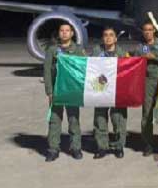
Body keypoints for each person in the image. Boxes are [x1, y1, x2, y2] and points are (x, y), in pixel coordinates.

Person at [43, 22, 86, 162]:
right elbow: (47, 71)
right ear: (59, 33)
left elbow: (84, 69)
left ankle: (75, 148)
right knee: (54, 120)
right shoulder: (52, 50)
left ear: (72, 33)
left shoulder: (78, 50)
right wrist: (49, 91)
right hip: (57, 90)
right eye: (62, 30)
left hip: (72, 91)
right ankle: (53, 149)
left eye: (67, 30)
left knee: (74, 120)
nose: (64, 33)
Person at [129, 21, 158, 157]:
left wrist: (155, 57)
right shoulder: (140, 47)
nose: (147, 32)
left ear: (154, 31)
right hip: (148, 83)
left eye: (150, 30)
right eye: (145, 30)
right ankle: (148, 144)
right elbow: (130, 60)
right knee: (146, 113)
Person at [91, 27, 128, 159]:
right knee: (100, 117)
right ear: (102, 38)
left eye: (111, 35)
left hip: (117, 89)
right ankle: (102, 147)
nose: (108, 37)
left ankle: (119, 146)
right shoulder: (96, 51)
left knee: (118, 118)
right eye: (105, 35)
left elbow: (128, 72)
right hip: (101, 87)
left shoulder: (122, 53)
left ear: (116, 38)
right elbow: (91, 68)